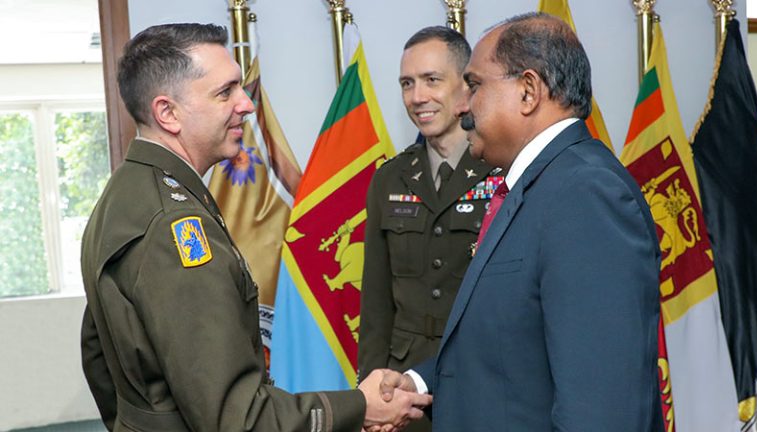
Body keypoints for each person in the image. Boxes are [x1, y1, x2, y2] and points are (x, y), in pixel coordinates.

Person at [80, 23, 430, 432]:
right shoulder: (174, 228)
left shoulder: (126, 194)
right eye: (225, 91)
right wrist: (358, 406)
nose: (246, 104)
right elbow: (239, 420)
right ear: (167, 113)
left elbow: (98, 357)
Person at [377, 13, 664, 431]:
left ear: (528, 91)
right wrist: (417, 381)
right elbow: (512, 345)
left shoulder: (587, 195)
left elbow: (602, 408)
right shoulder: (538, 184)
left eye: (474, 86)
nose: (461, 106)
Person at [358, 28, 500, 430]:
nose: (417, 96)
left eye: (432, 80)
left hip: (484, 378)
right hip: (406, 392)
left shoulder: (504, 172)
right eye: (407, 83)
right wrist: (373, 390)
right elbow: (376, 304)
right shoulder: (389, 179)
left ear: (467, 88)